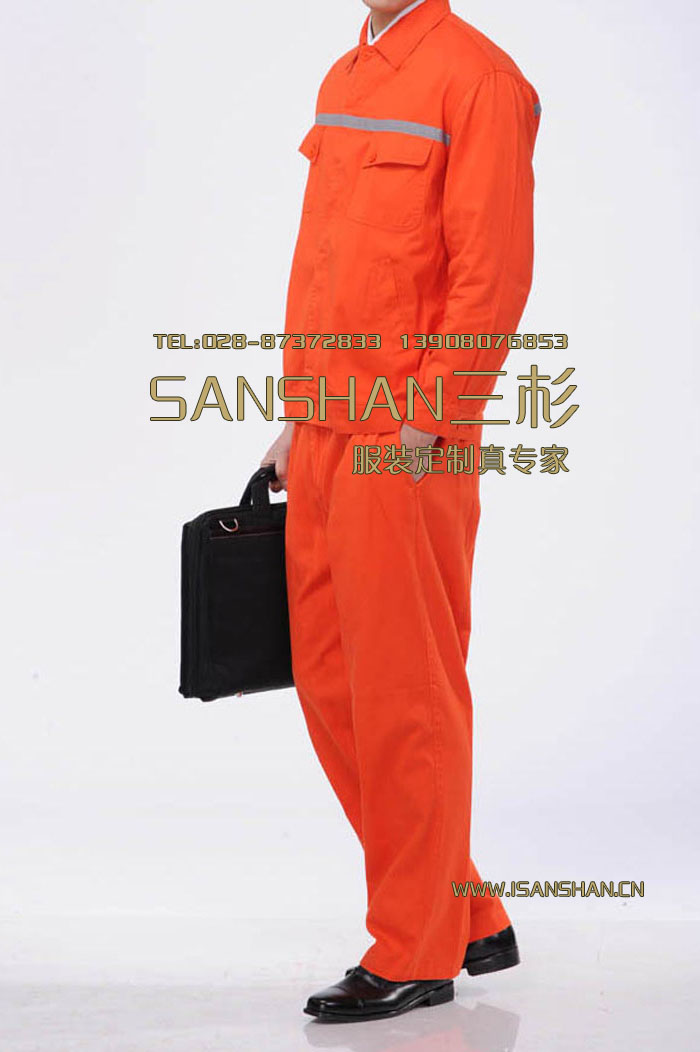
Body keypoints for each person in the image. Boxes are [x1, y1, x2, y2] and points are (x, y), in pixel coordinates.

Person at [261, 0, 541, 1023]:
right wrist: (297, 413)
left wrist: (434, 415)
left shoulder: (479, 78)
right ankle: (467, 912)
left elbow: (492, 267)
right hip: (327, 423)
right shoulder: (346, 76)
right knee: (332, 681)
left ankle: (417, 950)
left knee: (405, 694)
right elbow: (328, 264)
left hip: (406, 434)